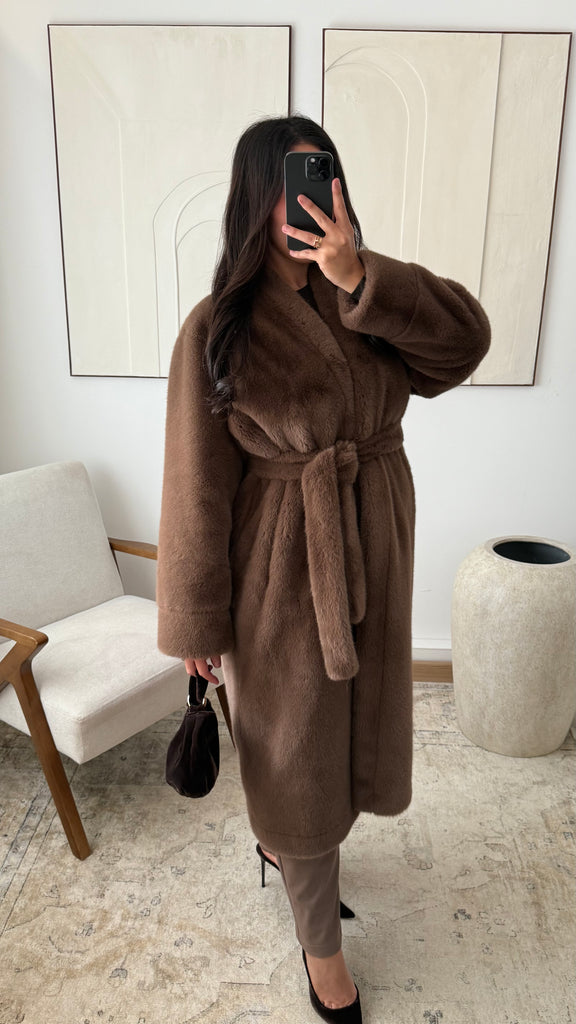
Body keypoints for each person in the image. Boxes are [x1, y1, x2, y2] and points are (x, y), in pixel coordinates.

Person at [156, 114, 491, 1021]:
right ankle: (321, 947)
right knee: (297, 748)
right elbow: (195, 490)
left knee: (352, 729)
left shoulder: (366, 297)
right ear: (254, 196)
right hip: (281, 561)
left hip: (372, 537)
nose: (305, 201)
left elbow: (465, 344)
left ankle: (290, 850)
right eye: (287, 183)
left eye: (322, 176)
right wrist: (196, 624)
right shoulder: (218, 327)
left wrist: (361, 278)